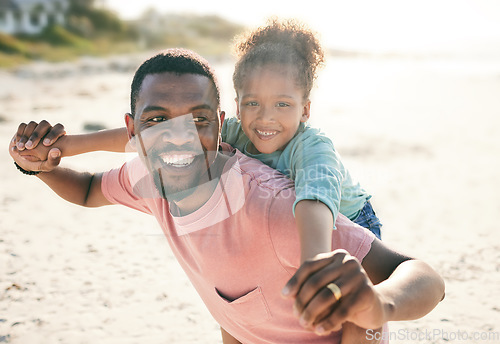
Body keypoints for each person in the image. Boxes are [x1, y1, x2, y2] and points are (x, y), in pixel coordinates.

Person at [10, 49, 445, 344]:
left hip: (337, 265)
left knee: (356, 312)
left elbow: (423, 276)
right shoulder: (146, 177)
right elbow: (88, 190)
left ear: (220, 125)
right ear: (132, 129)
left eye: (197, 120)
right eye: (158, 119)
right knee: (230, 313)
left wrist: (378, 304)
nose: (177, 137)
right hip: (250, 323)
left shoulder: (275, 207)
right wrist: (40, 164)